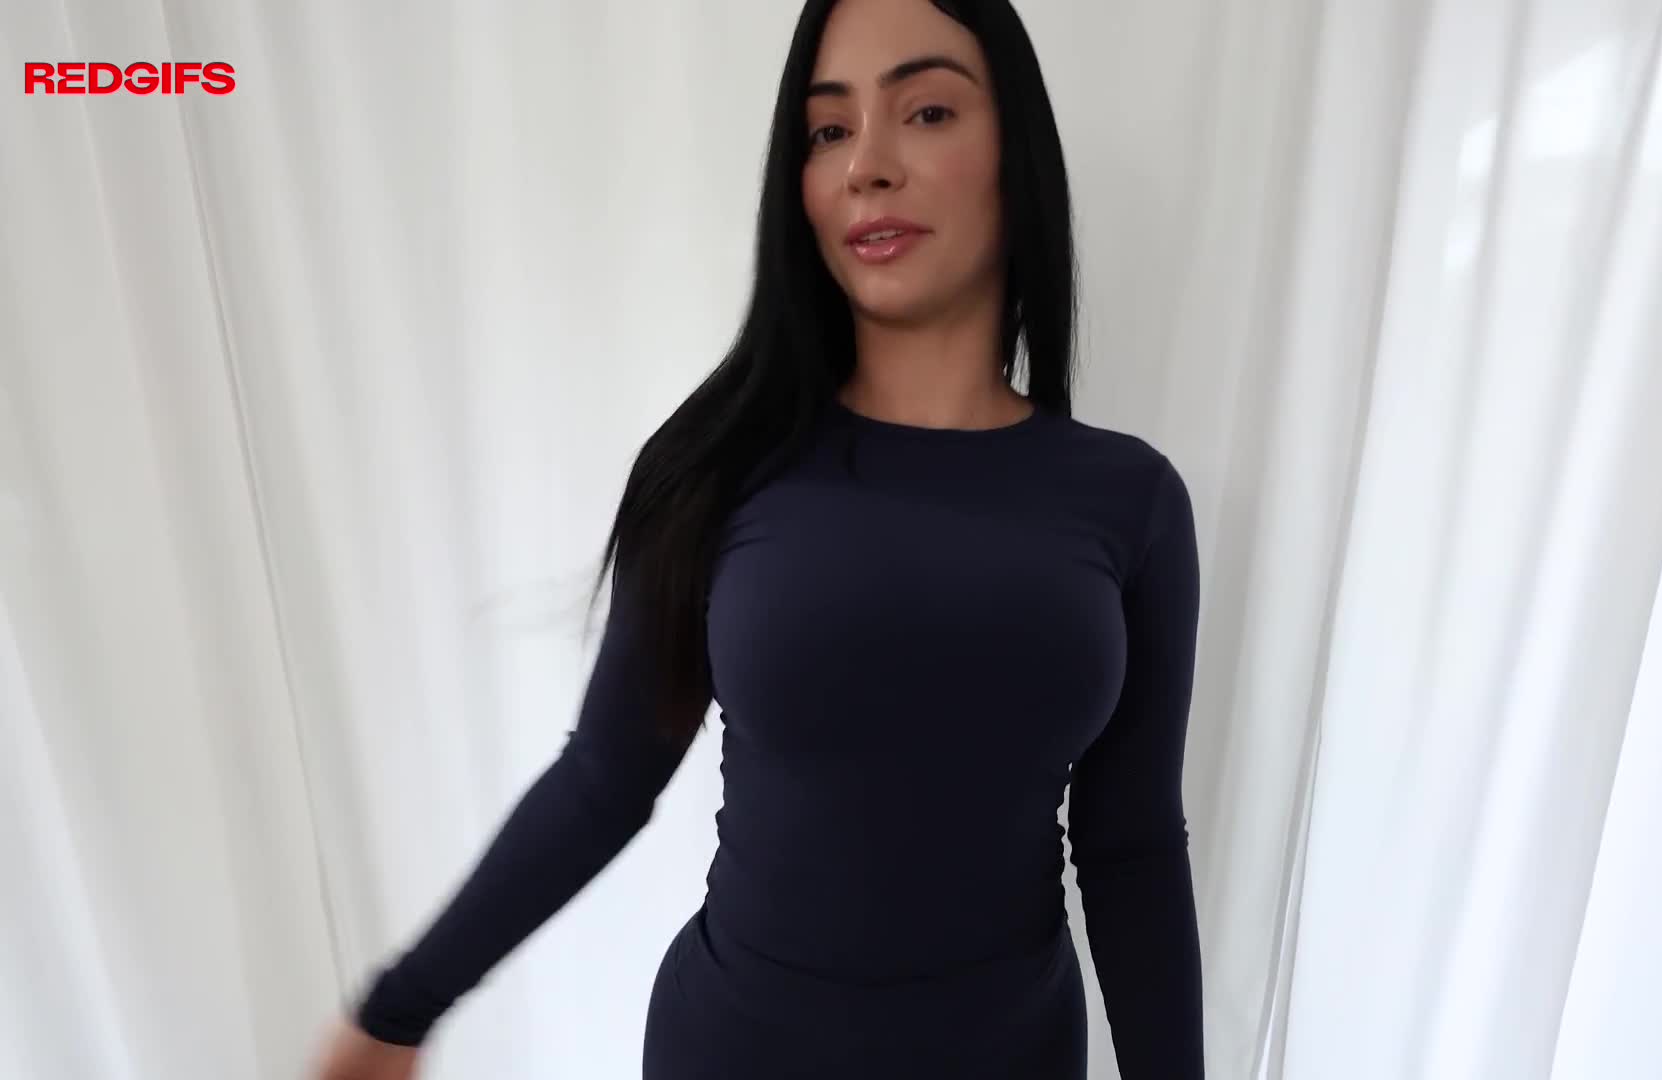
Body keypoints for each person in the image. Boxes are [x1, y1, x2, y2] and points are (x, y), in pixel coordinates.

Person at [311, 0, 1203, 1076]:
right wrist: (399, 1011)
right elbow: (607, 777)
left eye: (926, 111)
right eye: (829, 130)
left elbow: (1130, 847)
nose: (867, 165)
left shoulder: (1130, 501)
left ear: (1016, 148)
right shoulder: (717, 467)